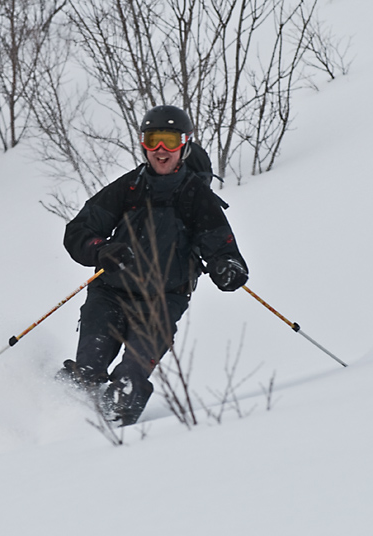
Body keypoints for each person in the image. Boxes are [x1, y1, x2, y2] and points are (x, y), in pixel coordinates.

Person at [56, 105, 249, 426]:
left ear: (184, 145)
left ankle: (115, 437)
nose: (161, 150)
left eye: (170, 141)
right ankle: (58, 422)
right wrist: (102, 251)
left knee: (129, 378)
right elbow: (78, 232)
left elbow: (223, 250)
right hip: (110, 294)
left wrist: (227, 268)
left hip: (163, 302)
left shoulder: (196, 196)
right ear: (143, 145)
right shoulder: (128, 188)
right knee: (87, 370)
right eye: (152, 140)